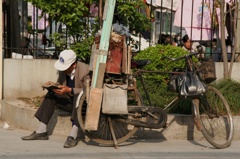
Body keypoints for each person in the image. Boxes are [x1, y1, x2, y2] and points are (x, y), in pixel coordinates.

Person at [21, 49, 90, 148]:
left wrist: (70, 90)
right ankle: (41, 131)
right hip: (69, 102)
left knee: (78, 96)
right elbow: (60, 84)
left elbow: (88, 90)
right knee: (51, 94)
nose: (63, 70)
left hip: (82, 106)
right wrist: (53, 85)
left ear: (74, 65)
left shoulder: (84, 70)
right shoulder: (63, 71)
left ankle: (73, 135)